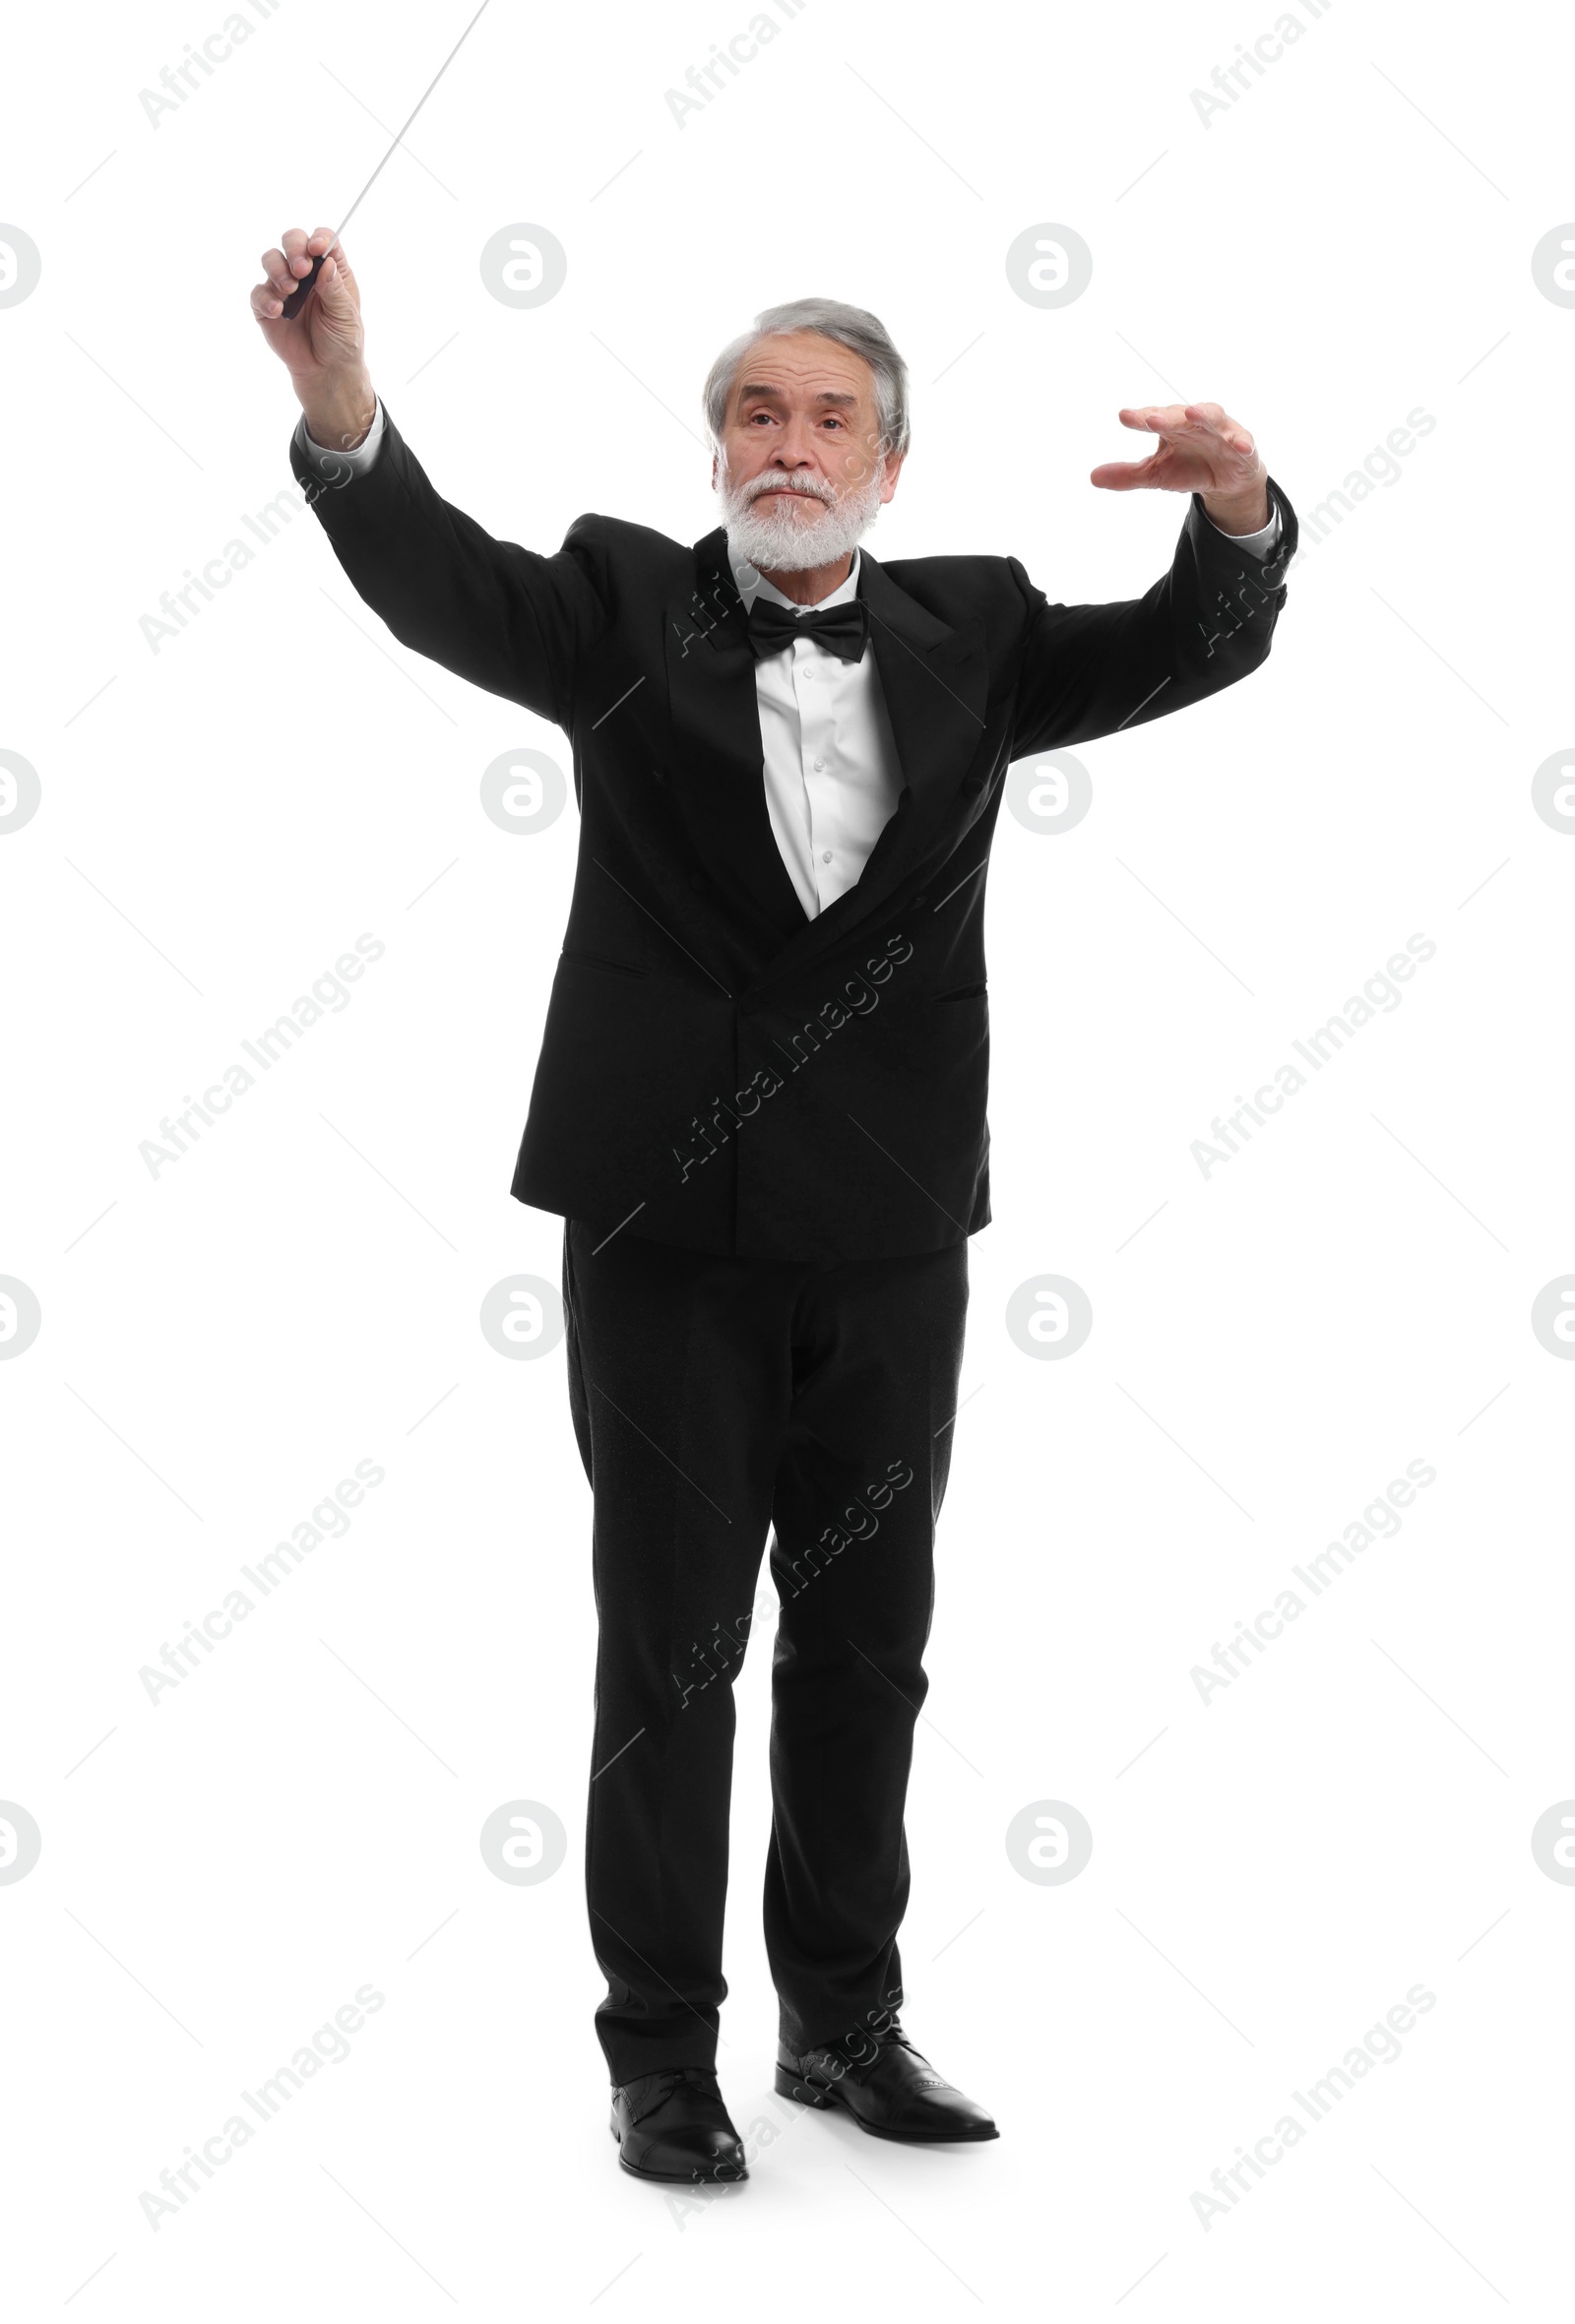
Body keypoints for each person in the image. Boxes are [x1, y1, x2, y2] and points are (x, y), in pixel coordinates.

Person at [251, 225, 1296, 2185]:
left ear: (886, 464)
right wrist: (340, 412)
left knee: (865, 1631)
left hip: (892, 1228)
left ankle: (841, 2017)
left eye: (827, 416)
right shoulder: (615, 603)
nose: (786, 440)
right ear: (712, 445)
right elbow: (432, 581)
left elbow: (1188, 647)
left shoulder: (973, 631)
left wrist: (1235, 517)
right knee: (665, 1645)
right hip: (659, 1227)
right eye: (753, 409)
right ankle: (660, 2048)